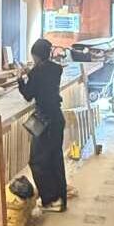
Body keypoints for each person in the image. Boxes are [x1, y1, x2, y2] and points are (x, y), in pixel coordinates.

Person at [18, 38, 67, 212]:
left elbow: (27, 95)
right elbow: (44, 82)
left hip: (45, 121)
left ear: (36, 55)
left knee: (37, 161)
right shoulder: (57, 69)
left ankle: (50, 200)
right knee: (55, 159)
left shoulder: (36, 72)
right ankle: (60, 199)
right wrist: (31, 72)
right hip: (57, 118)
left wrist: (21, 78)